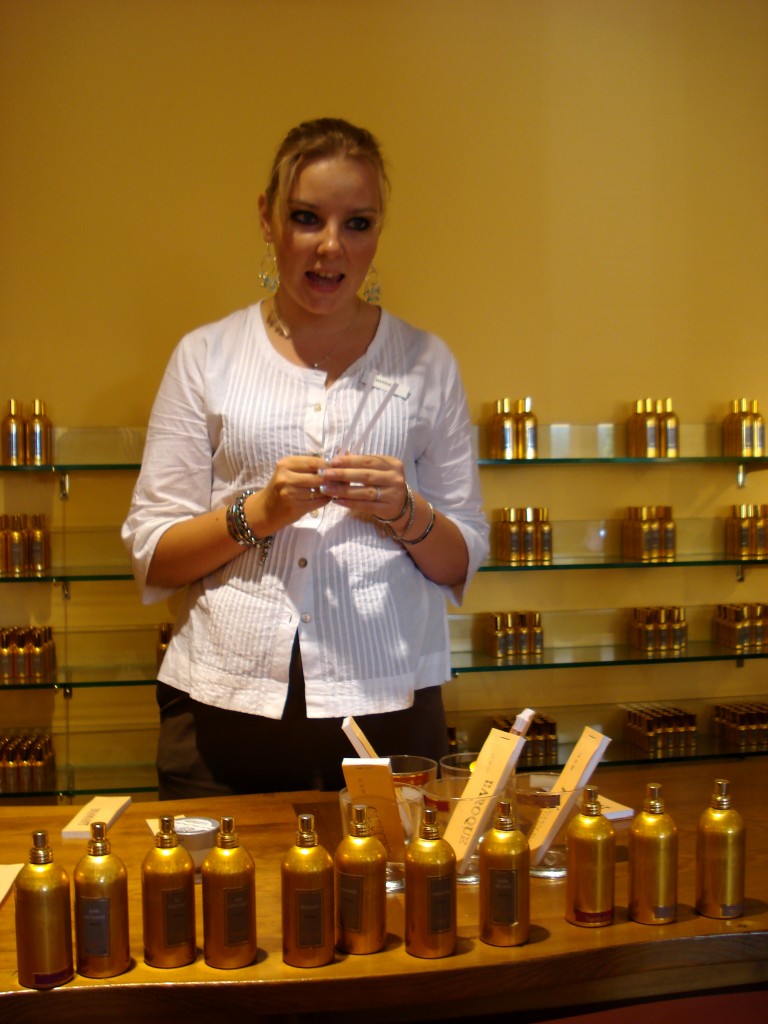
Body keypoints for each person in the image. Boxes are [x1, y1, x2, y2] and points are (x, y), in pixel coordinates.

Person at [122, 117, 489, 798]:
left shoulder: (426, 363)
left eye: (358, 223)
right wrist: (259, 512)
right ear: (267, 218)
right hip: (226, 705)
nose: (331, 247)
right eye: (306, 218)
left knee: (392, 871)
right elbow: (155, 555)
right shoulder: (206, 357)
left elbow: (461, 558)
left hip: (390, 702)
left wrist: (404, 511)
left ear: (379, 230)